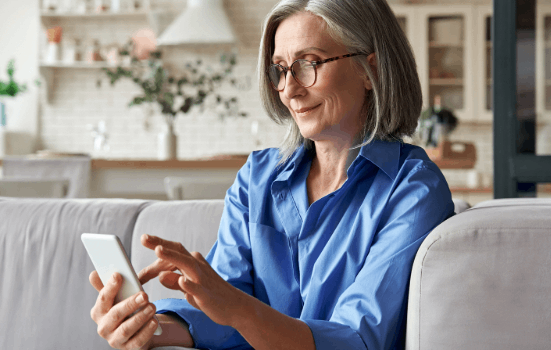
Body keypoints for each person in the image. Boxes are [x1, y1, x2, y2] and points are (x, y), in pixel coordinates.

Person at [88, 0, 455, 349]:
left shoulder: (413, 189)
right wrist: (148, 329)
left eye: (309, 64)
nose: (289, 90)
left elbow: (355, 340)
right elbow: (221, 316)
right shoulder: (257, 177)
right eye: (280, 69)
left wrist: (234, 306)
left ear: (369, 71)